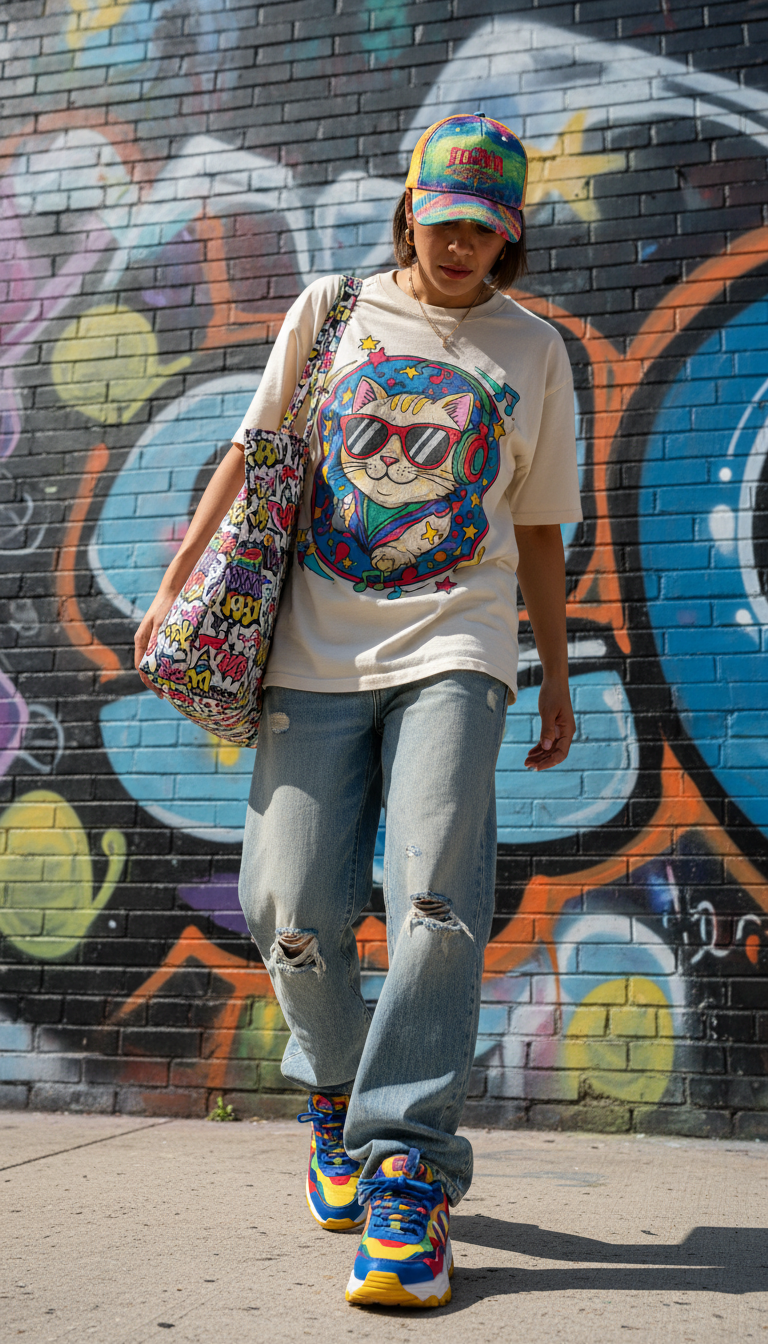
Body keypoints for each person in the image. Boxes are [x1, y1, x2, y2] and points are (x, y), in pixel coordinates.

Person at [135, 112, 581, 1309]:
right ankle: (335, 1087)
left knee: (435, 895)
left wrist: (555, 668)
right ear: (411, 210)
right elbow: (258, 447)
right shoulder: (329, 314)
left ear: (510, 237)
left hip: (459, 642)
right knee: (286, 901)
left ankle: (409, 1176)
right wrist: (177, 581)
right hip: (311, 651)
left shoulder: (535, 352)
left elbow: (537, 532)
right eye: (444, 221)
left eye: (485, 230)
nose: (460, 246)